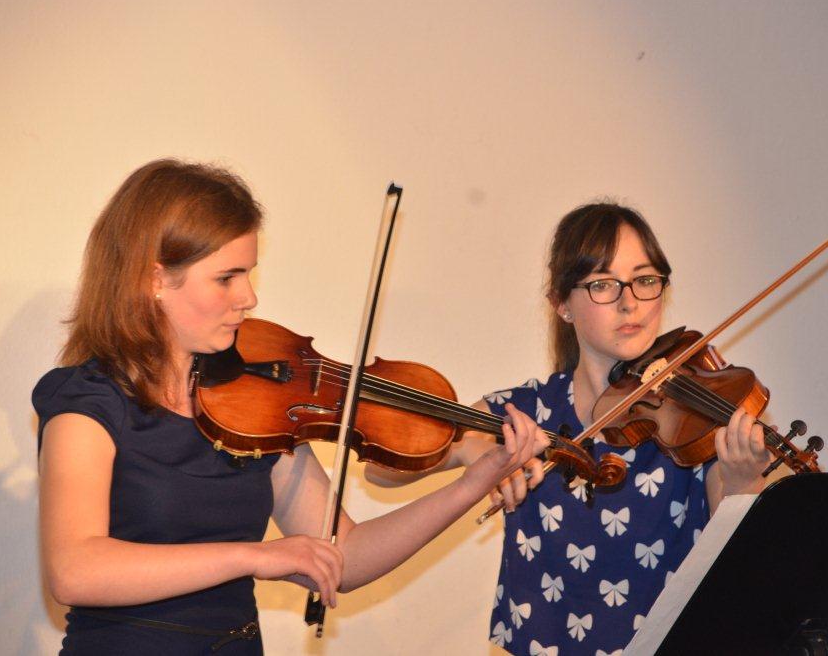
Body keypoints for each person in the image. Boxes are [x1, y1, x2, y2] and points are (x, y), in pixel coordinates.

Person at [34, 159, 547, 655]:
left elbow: (343, 557)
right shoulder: (88, 404)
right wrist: (253, 557)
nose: (248, 297)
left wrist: (471, 483)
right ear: (154, 281)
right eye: (227, 277)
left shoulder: (254, 399)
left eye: (249, 274)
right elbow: (74, 571)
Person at [367, 201, 771, 655]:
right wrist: (477, 456)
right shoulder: (522, 412)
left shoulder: (698, 414)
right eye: (603, 284)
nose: (630, 302)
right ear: (561, 304)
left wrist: (743, 483)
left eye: (644, 280)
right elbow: (381, 471)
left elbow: (744, 571)